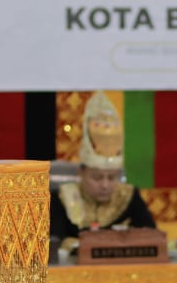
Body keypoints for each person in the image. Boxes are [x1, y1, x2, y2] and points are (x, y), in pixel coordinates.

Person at [49, 92, 157, 251]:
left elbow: (152, 237)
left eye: (112, 177)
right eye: (97, 177)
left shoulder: (129, 196)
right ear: (81, 173)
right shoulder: (62, 198)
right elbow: (54, 243)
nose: (105, 185)